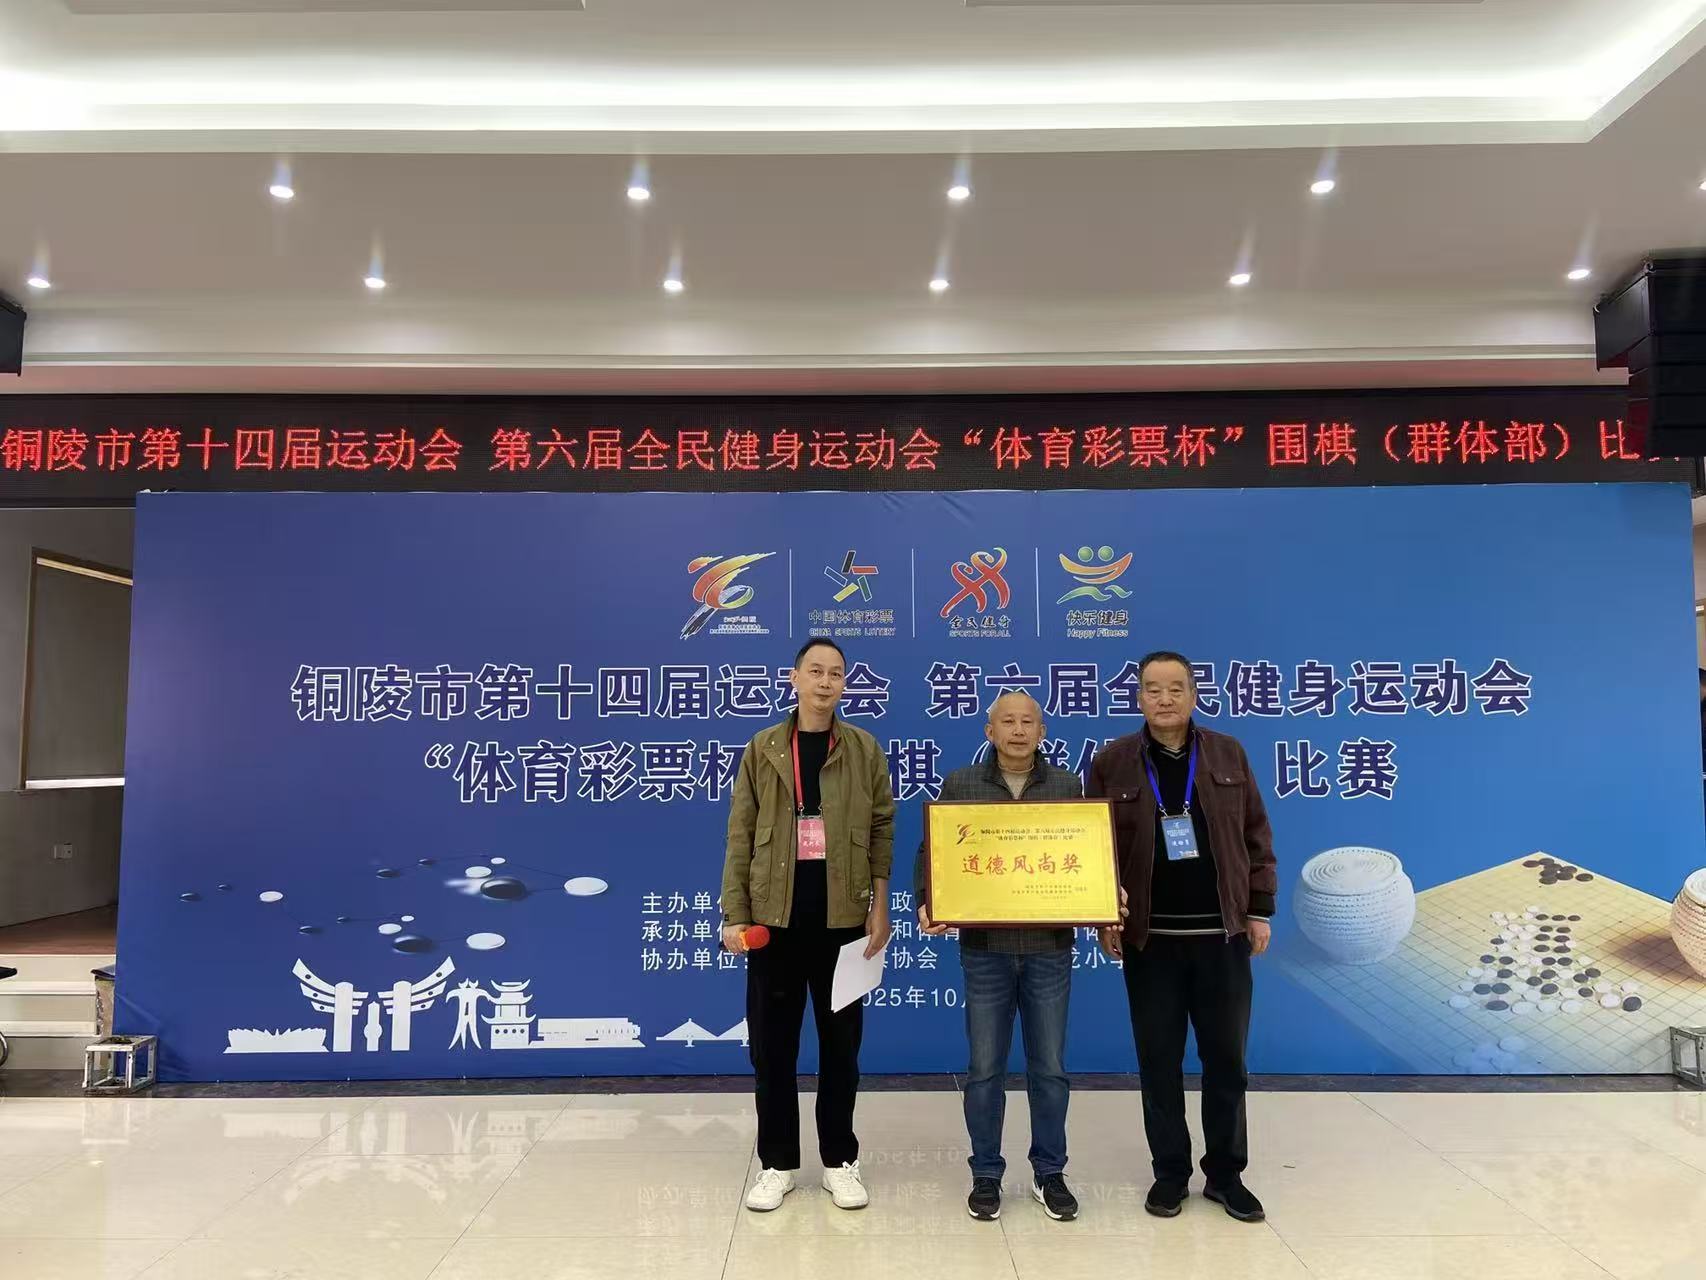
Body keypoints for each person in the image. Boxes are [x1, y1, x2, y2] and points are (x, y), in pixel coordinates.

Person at [1088, 651, 1277, 1224]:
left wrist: (1259, 910)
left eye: (1176, 688)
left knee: (1227, 1061)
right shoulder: (1112, 761)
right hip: (1150, 940)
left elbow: (1255, 834)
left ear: (1193, 695)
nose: (1164, 698)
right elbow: (1094, 848)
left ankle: (1225, 1175)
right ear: (1138, 698)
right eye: (1153, 689)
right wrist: (1103, 915)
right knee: (1158, 1062)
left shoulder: (1227, 753)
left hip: (1223, 935)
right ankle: (1170, 1173)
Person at [721, 637, 896, 1213]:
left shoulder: (863, 748)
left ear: (845, 684)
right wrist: (735, 915)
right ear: (794, 678)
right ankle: (776, 1164)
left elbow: (882, 830)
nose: (825, 682)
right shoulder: (764, 747)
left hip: (844, 923)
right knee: (773, 1050)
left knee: (841, 1049)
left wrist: (880, 905)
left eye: (836, 673)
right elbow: (740, 834)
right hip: (775, 924)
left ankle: (840, 1161)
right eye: (815, 671)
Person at [916, 690, 1085, 1223]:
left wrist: (1101, 897)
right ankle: (986, 1173)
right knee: (985, 1069)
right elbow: (933, 852)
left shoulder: (1066, 786)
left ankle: (1049, 1172)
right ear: (989, 732)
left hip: (1048, 949)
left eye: (1027, 721)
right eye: (1006, 721)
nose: (1017, 730)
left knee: (1050, 1068)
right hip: (985, 950)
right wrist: (929, 901)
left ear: (1042, 731)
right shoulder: (962, 784)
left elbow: (1085, 856)